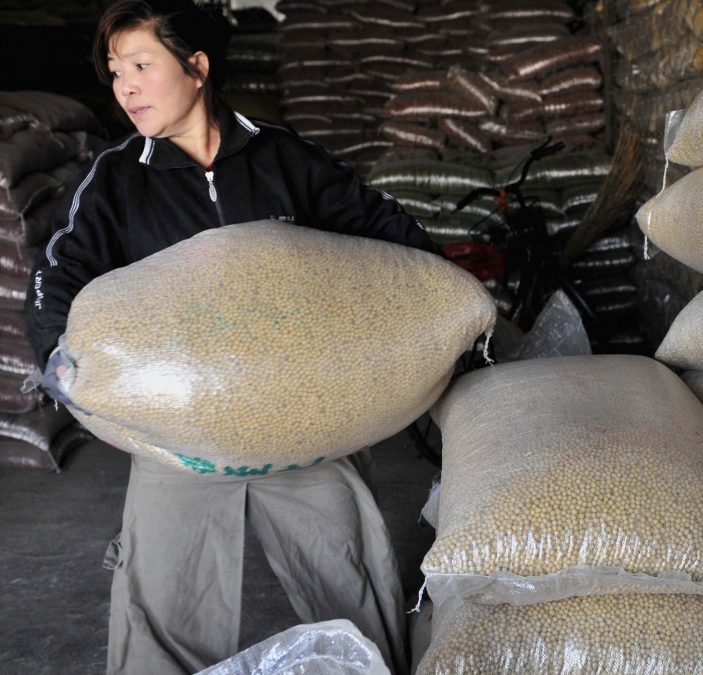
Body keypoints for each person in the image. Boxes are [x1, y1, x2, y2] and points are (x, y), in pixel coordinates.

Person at [25, 1, 437, 672]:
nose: (125, 87)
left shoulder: (283, 157)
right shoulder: (118, 179)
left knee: (349, 579)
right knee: (162, 600)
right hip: (180, 434)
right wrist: (57, 357)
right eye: (116, 72)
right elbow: (58, 274)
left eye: (141, 66)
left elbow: (385, 234)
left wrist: (437, 316)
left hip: (301, 420)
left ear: (196, 67)